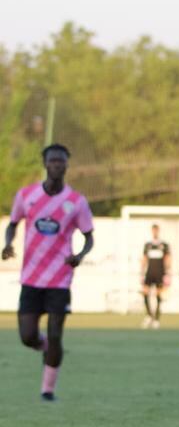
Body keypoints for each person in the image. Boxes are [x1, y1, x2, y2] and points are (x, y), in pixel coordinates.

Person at [2, 143, 94, 401]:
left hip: (60, 279)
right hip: (31, 277)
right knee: (27, 335)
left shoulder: (76, 201)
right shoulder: (26, 195)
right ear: (45, 163)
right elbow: (12, 224)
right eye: (52, 160)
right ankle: (44, 348)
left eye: (61, 161)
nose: (56, 164)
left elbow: (89, 237)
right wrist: (8, 243)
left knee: (56, 334)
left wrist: (81, 255)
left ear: (66, 164)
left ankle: (47, 390)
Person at [140, 223, 171, 329]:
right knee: (145, 292)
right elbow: (144, 259)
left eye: (156, 230)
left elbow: (168, 259)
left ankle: (156, 319)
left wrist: (167, 273)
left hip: (160, 273)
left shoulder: (164, 245)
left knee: (159, 295)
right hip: (149, 272)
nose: (155, 232)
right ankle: (149, 315)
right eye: (153, 230)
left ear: (158, 231)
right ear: (151, 231)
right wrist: (142, 273)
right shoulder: (148, 245)